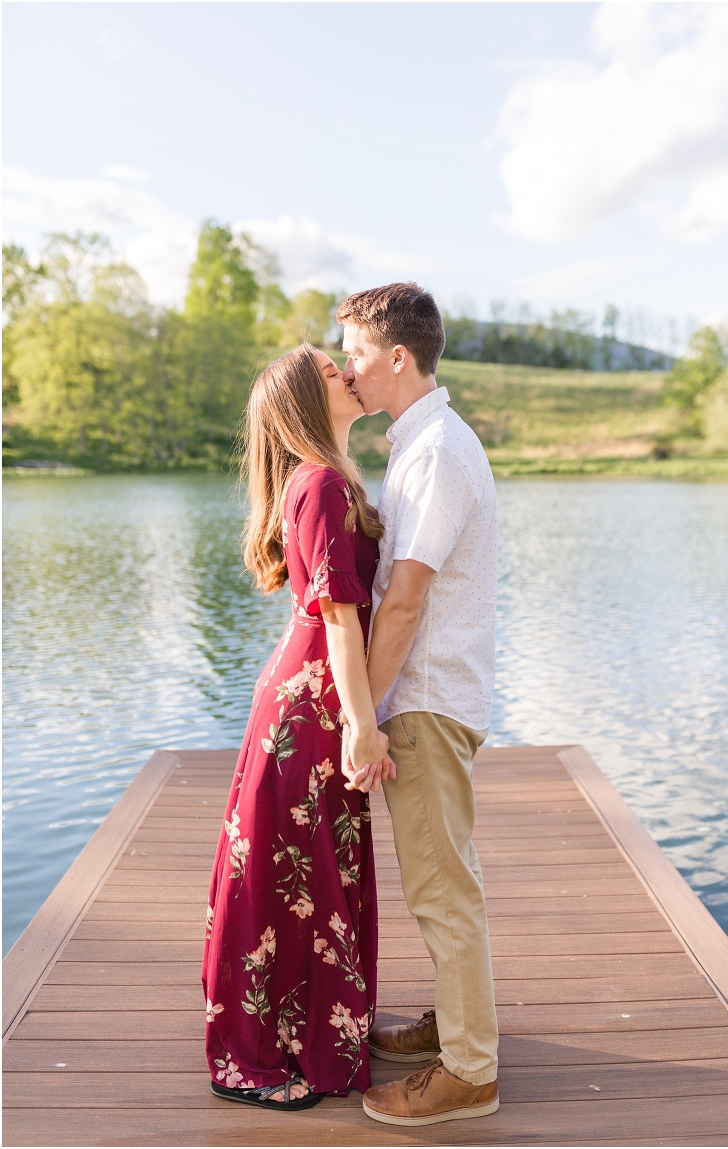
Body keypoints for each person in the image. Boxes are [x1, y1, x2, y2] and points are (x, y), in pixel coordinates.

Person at [202, 343, 394, 1110]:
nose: (346, 372)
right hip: (310, 704)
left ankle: (315, 1030)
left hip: (315, 696)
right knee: (289, 874)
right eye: (327, 371)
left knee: (311, 871)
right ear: (307, 404)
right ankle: (247, 1056)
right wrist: (364, 725)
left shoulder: (333, 477)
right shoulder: (316, 485)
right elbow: (341, 621)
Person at [337, 283, 500, 1127]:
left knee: (441, 887)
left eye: (357, 354)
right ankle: (457, 1021)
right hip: (431, 694)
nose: (349, 369)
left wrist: (357, 707)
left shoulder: (436, 450)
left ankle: (470, 1070)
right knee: (439, 876)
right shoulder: (420, 443)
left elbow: (404, 603)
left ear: (398, 357)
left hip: (429, 698)